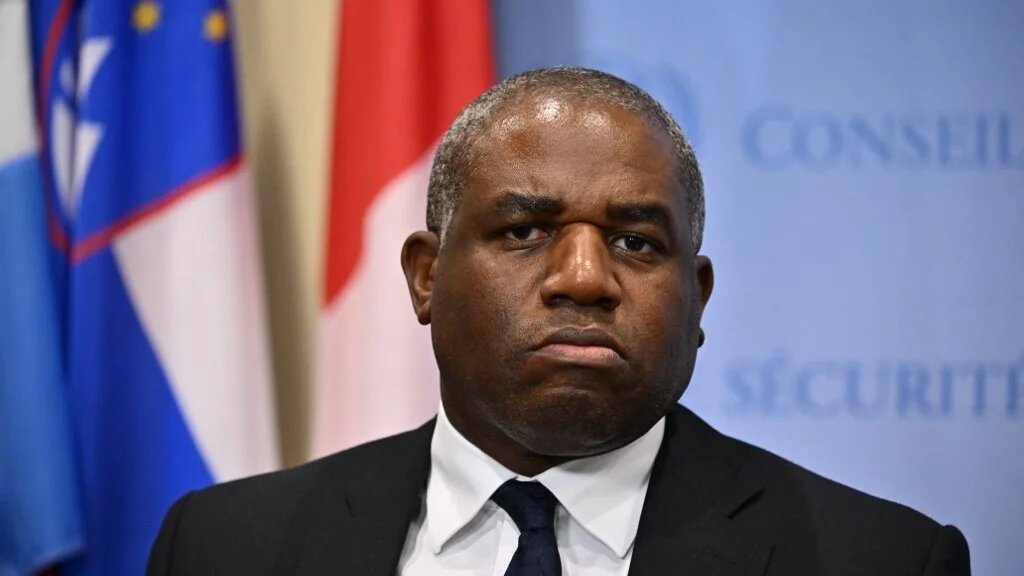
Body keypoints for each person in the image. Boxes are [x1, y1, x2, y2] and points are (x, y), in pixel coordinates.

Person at [147, 67, 970, 576]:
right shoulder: (225, 549)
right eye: (525, 232)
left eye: (637, 242)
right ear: (426, 278)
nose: (585, 279)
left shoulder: (880, 559)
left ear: (699, 301)